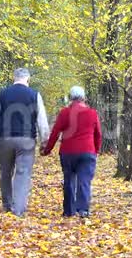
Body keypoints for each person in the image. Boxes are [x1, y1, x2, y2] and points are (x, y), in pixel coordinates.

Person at [0, 68, 50, 216]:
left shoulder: (3, 93)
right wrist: (44, 141)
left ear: (13, 78)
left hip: (5, 139)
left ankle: (7, 204)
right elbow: (42, 120)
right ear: (28, 79)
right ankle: (18, 209)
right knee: (23, 173)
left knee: (6, 172)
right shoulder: (35, 95)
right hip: (26, 140)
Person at [41, 86, 101, 218]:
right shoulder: (92, 113)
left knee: (69, 180)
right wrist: (96, 151)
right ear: (83, 98)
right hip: (87, 152)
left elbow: (55, 132)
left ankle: (69, 210)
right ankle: (83, 210)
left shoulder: (64, 112)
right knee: (84, 181)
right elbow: (98, 134)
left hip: (68, 152)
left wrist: (47, 149)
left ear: (70, 97)